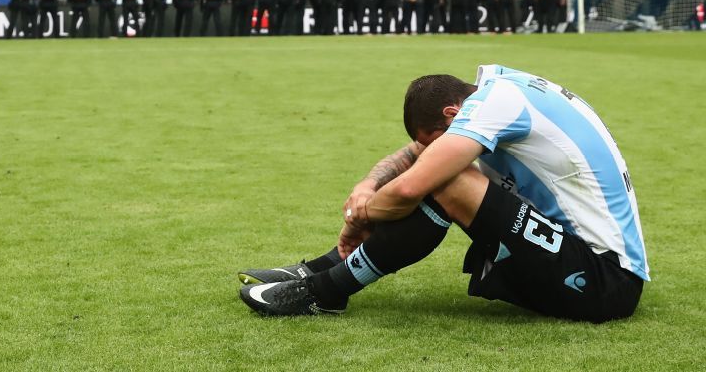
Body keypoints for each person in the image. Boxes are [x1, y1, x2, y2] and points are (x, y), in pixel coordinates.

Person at [238, 66, 647, 324]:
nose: (429, 149)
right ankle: (323, 270)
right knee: (440, 170)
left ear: (452, 114)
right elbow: (413, 155)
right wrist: (366, 186)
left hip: (606, 281)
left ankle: (326, 293)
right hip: (580, 259)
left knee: (446, 180)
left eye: (435, 139)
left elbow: (415, 183)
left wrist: (361, 215)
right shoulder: (497, 92)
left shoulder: (498, 102)